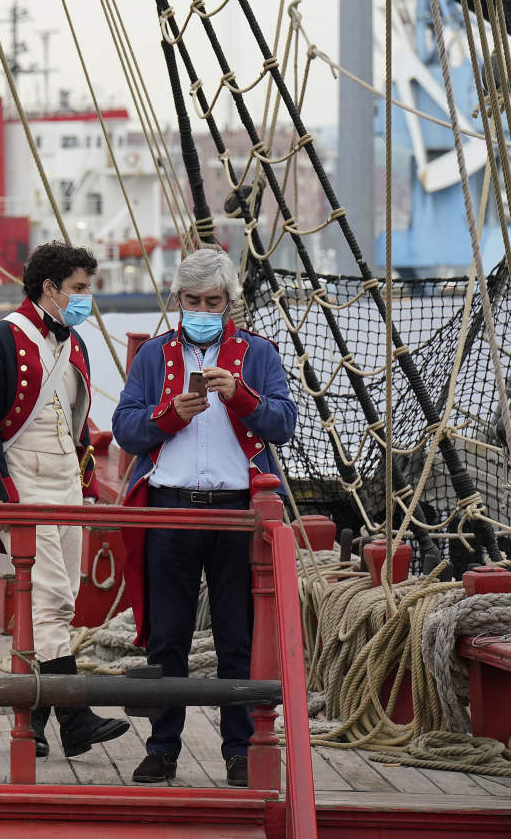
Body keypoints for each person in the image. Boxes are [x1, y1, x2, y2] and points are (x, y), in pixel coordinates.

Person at [111, 247, 296, 787]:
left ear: (229, 302)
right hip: (170, 510)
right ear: (178, 300)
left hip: (238, 514)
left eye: (212, 301)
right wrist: (167, 417)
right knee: (167, 636)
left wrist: (241, 396)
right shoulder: (152, 356)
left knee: (237, 636)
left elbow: (283, 421)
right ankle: (162, 746)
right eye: (192, 300)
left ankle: (239, 749)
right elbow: (126, 427)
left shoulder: (258, 353)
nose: (201, 309)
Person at [0, 241, 129, 759]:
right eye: (78, 289)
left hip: (64, 484)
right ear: (49, 288)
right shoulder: (0, 340)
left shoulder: (73, 344)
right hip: (23, 484)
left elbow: (77, 423)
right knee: (53, 598)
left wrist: (84, 485)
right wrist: (3, 494)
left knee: (54, 600)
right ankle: (74, 717)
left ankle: (31, 718)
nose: (86, 299)